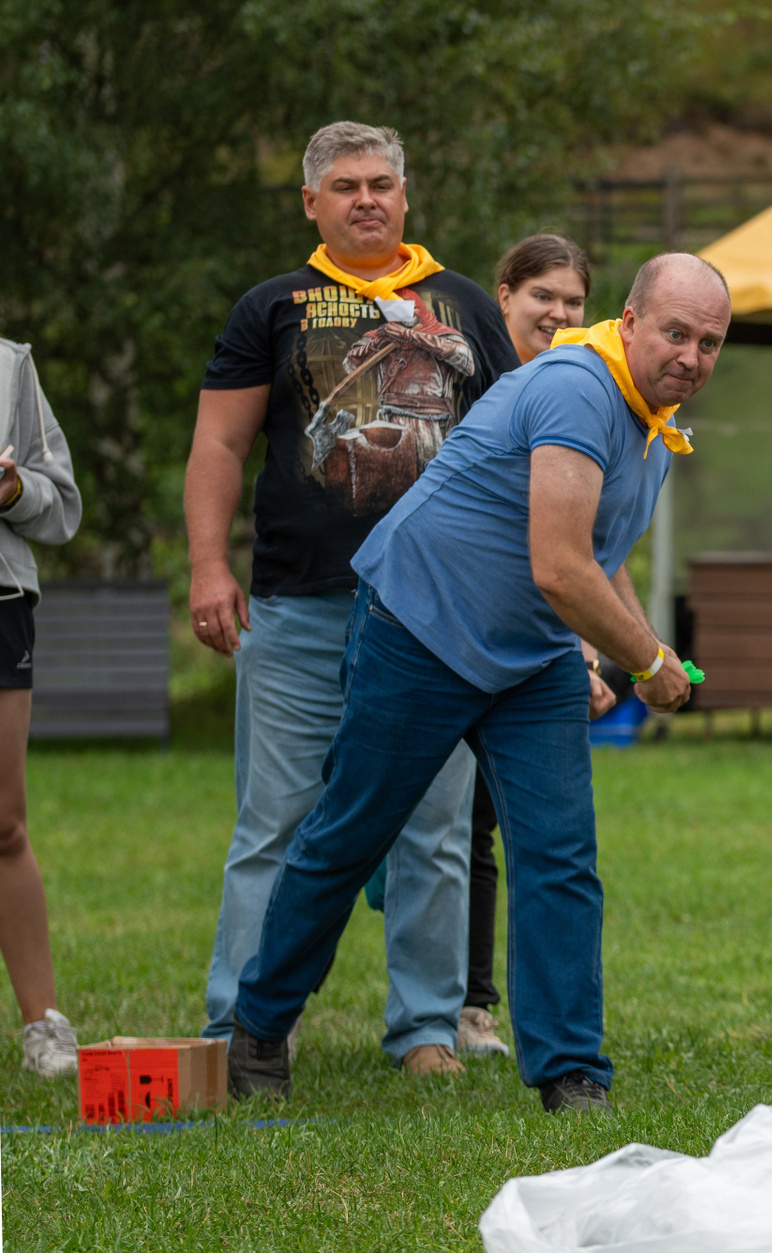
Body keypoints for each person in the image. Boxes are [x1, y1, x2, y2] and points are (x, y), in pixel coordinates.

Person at [227, 252, 725, 1113]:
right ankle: (259, 1026)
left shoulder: (652, 421)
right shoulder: (579, 388)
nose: (691, 355)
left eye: (709, 343)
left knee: (560, 857)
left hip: (529, 656)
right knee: (349, 834)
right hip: (420, 626)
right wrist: (647, 663)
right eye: (676, 333)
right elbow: (560, 567)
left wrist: (643, 644)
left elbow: (597, 556)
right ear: (630, 322)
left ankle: (571, 1071)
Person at [187, 121, 517, 1077]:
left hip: (437, 613)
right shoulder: (272, 305)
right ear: (311, 204)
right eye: (344, 186)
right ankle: (244, 1022)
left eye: (380, 183)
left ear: (405, 197)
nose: (365, 199)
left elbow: (518, 444)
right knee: (274, 823)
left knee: (434, 827)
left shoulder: (463, 304)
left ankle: (425, 1029)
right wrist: (209, 566)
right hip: (297, 603)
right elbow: (218, 445)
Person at [456, 233, 616, 1059]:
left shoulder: (587, 394)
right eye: (541, 296)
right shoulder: (473, 385)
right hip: (447, 629)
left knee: (486, 827)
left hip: (533, 646)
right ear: (504, 296)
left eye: (572, 301)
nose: (557, 313)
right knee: (398, 824)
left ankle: (471, 1005)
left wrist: (589, 652)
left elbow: (589, 548)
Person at [0, 338, 83, 1077]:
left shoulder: (10, 366)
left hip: (1, 604)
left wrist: (13, 491)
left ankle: (43, 1028)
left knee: (3, 823)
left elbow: (60, 509)